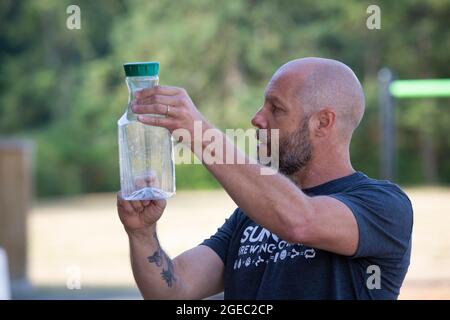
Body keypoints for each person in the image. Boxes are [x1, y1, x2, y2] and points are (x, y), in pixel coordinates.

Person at [117, 57, 413, 299]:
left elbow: (300, 221)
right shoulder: (251, 215)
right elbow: (174, 290)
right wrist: (142, 234)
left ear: (323, 123)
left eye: (276, 108)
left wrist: (197, 131)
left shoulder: (384, 205)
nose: (257, 118)